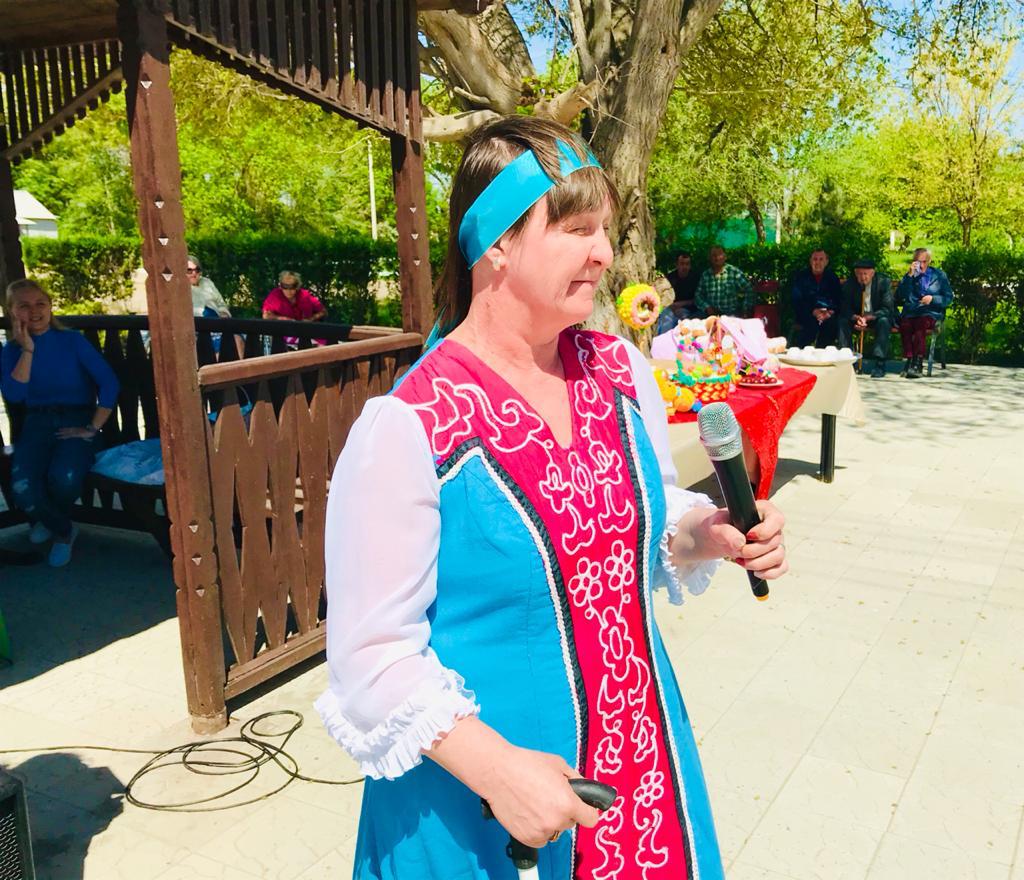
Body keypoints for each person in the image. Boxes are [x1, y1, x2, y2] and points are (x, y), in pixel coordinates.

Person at [314, 116, 788, 880]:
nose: (604, 254)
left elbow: (644, 516)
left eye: (606, 231)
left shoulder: (620, 371)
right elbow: (369, 658)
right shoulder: (406, 427)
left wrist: (706, 532)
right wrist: (499, 771)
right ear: (497, 243)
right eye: (577, 230)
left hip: (641, 774)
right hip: (480, 815)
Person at [1, 279, 119, 567]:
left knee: (64, 479)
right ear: (12, 311)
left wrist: (92, 427)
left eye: (40, 303)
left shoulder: (72, 341)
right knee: (22, 488)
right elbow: (14, 395)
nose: (34, 311)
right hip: (37, 423)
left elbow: (109, 383)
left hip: (77, 419)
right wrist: (28, 350)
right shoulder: (11, 350)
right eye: (24, 306)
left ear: (50, 306)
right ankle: (63, 530)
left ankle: (49, 522)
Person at [896, 248, 953, 379]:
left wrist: (933, 299)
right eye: (917, 262)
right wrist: (909, 276)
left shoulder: (939, 275)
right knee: (905, 325)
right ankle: (910, 359)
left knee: (920, 324)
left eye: (924, 262)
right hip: (912, 311)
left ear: (929, 261)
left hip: (930, 312)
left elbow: (948, 298)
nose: (921, 265)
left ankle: (918, 362)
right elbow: (900, 295)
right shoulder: (910, 276)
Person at [839, 260, 894, 378]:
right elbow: (844, 307)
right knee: (842, 322)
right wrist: (856, 317)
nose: (862, 277)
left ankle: (879, 364)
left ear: (872, 273)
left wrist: (869, 317)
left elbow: (887, 308)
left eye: (865, 274)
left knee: (884, 322)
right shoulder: (850, 284)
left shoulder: (883, 282)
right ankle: (848, 361)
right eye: (859, 274)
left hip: (876, 317)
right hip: (857, 317)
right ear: (855, 273)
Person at [791, 249, 842, 347]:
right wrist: (813, 311)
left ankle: (821, 351)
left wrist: (829, 312)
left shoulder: (832, 277)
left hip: (828, 314)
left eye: (821, 259)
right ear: (810, 261)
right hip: (807, 312)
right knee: (810, 325)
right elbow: (797, 299)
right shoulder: (801, 277)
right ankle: (801, 352)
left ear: (826, 262)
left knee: (831, 324)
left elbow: (838, 299)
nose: (818, 262)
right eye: (815, 259)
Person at [694, 244, 754, 318]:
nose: (717, 258)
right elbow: (698, 295)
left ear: (725, 257)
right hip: (710, 314)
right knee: (691, 320)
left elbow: (749, 289)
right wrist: (707, 307)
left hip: (731, 314)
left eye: (720, 254)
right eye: (714, 255)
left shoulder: (734, 272)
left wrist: (745, 309)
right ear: (709, 258)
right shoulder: (705, 275)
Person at [654, 251, 700, 334]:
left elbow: (697, 299)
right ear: (677, 265)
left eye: (687, 264)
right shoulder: (670, 278)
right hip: (670, 308)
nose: (685, 267)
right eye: (682, 264)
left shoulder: (695, 278)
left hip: (689, 310)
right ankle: (664, 339)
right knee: (666, 316)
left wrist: (680, 305)